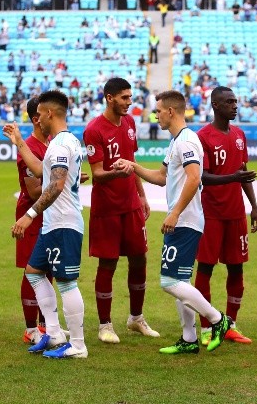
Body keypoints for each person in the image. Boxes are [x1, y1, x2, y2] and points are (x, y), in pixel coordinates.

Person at [113, 90, 233, 354]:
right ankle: (189, 338)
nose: (155, 115)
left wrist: (175, 212)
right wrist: (132, 166)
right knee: (181, 280)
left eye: (158, 110)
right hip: (182, 219)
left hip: (186, 220)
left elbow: (194, 178)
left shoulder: (188, 141)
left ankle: (217, 319)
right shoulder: (176, 141)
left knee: (169, 282)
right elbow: (161, 176)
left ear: (171, 111)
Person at [7, 90, 87, 358]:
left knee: (65, 282)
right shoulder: (60, 142)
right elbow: (42, 170)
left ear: (50, 113)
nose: (37, 118)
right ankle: (52, 333)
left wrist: (28, 215)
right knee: (33, 271)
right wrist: (19, 142)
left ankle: (77, 344)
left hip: (64, 221)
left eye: (39, 114)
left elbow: (56, 183)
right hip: (53, 222)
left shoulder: (62, 144)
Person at [83, 78, 158, 344]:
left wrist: (142, 194)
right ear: (109, 97)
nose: (129, 102)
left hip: (131, 205)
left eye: (130, 97)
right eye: (124, 98)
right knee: (108, 263)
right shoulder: (94, 129)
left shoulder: (129, 123)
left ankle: (136, 319)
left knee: (140, 259)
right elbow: (97, 173)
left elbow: (133, 161)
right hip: (107, 209)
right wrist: (119, 170)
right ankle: (105, 325)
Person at [194, 86, 257, 346]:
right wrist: (233, 177)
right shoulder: (203, 137)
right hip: (211, 214)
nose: (235, 105)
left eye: (236, 101)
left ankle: (230, 324)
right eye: (229, 102)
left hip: (236, 214)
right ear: (215, 105)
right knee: (206, 268)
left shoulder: (239, 134)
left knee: (236, 267)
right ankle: (207, 327)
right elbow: (202, 177)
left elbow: (243, 173)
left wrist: (253, 206)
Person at [9, 97, 50, 344]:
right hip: (31, 215)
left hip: (49, 215)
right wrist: (62, 184)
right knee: (31, 271)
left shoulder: (51, 143)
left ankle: (46, 325)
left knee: (49, 269)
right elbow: (35, 192)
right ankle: (30, 328)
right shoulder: (29, 148)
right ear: (37, 119)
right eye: (48, 113)